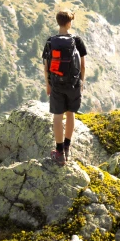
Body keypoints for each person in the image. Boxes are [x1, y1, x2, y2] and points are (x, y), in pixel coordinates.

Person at [42, 10, 87, 165]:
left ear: (58, 22)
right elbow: (82, 65)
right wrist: (81, 82)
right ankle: (67, 148)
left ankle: (59, 152)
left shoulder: (50, 41)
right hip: (73, 84)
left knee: (57, 117)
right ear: (69, 23)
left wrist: (48, 85)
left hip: (56, 84)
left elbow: (46, 66)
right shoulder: (77, 40)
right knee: (70, 114)